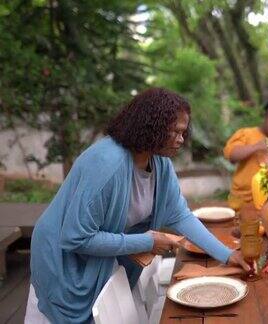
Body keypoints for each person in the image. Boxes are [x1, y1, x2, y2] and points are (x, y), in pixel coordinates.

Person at [25, 88, 249, 324]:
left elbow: (181, 215)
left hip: (96, 258)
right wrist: (148, 241)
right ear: (152, 126)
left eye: (184, 132)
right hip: (61, 259)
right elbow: (76, 238)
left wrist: (227, 255)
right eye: (176, 132)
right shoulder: (106, 164)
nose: (182, 140)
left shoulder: (159, 163)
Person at [223, 99, 268, 210]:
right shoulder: (246, 134)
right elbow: (232, 156)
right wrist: (256, 147)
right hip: (242, 202)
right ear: (265, 118)